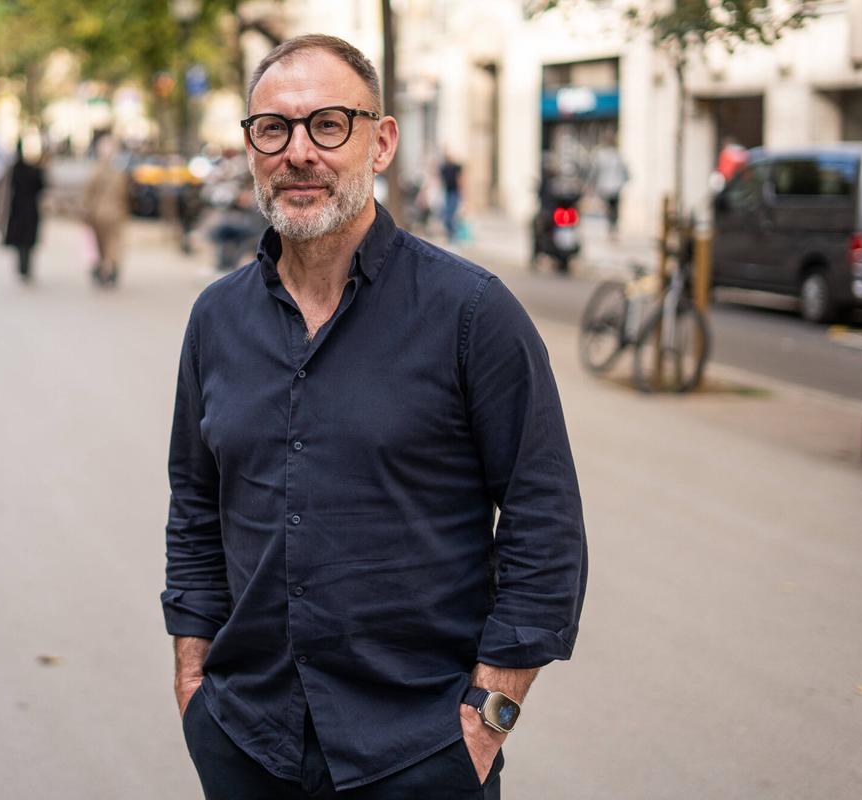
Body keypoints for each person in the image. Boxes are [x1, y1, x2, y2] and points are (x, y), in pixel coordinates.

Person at [162, 34, 587, 800]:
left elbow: (543, 520)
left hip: (418, 753)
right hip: (246, 743)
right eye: (274, 128)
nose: (299, 152)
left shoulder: (471, 313)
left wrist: (488, 718)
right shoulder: (215, 319)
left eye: (329, 124)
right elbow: (194, 506)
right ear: (251, 147)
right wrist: (194, 683)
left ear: (380, 141)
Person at [81, 132, 129, 287]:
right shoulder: (119, 173)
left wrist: (86, 209)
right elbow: (125, 194)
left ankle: (105, 267)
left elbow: (88, 193)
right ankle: (111, 267)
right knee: (112, 243)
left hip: (99, 213)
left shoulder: (96, 171)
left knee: (103, 244)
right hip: (113, 212)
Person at [2, 139, 45, 282]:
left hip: (20, 209)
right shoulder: (34, 170)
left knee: (22, 241)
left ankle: (23, 267)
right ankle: (25, 268)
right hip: (28, 209)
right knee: (26, 241)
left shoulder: (16, 169)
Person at [589, 136, 628, 237]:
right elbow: (624, 170)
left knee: (608, 207)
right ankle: (613, 225)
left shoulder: (600, 155)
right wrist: (625, 180)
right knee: (614, 207)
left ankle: (610, 225)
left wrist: (592, 183)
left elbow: (595, 171)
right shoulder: (617, 155)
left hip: (605, 186)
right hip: (616, 186)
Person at [439, 150, 464, 240]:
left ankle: (453, 234)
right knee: (446, 215)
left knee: (451, 215)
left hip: (454, 192)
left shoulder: (456, 167)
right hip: (446, 192)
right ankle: (450, 233)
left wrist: (462, 193)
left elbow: (460, 179)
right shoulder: (444, 168)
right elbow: (440, 180)